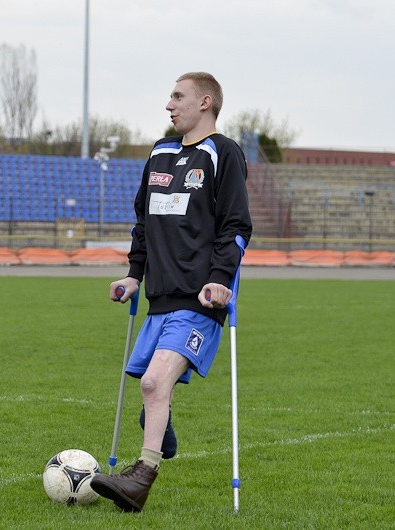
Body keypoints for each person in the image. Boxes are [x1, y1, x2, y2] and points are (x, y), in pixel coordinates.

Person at [90, 72, 252, 512]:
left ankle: (141, 478)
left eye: (177, 97)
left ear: (205, 102)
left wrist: (221, 278)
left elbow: (236, 225)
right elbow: (144, 222)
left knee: (154, 382)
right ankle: (164, 433)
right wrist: (133, 275)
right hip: (159, 297)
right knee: (150, 389)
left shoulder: (224, 153)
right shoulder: (160, 153)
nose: (168, 105)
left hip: (201, 298)